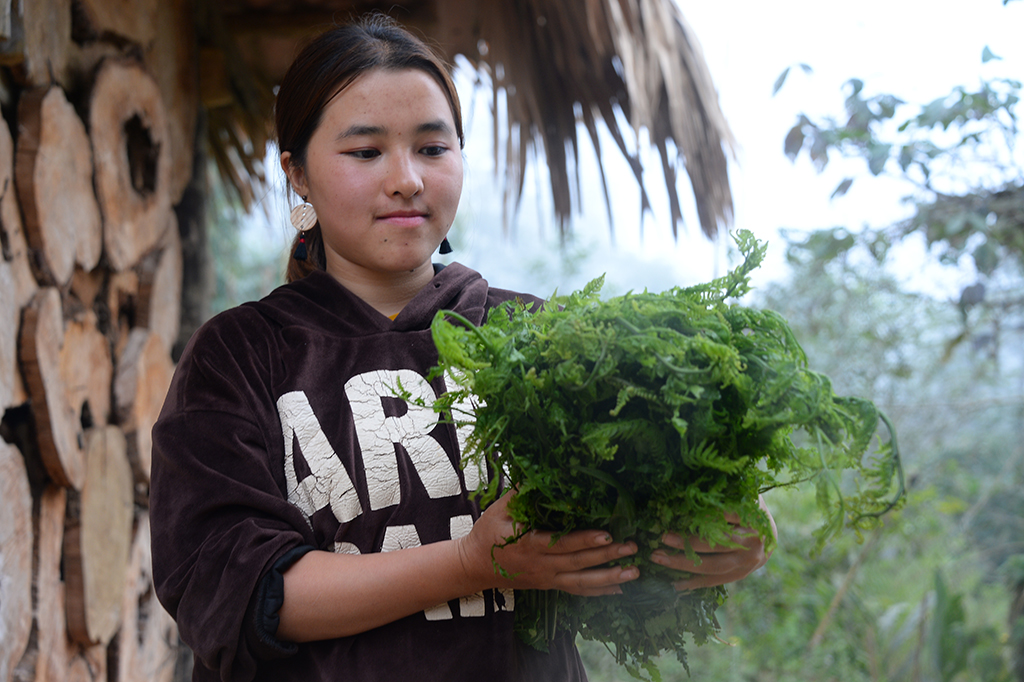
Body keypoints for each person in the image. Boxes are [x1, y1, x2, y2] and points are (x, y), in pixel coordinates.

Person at [150, 14, 774, 682]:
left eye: (432, 148)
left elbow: (663, 495)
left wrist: (738, 534)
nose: (407, 179)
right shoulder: (241, 356)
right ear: (297, 173)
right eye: (365, 152)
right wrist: (471, 561)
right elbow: (239, 591)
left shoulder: (537, 337)